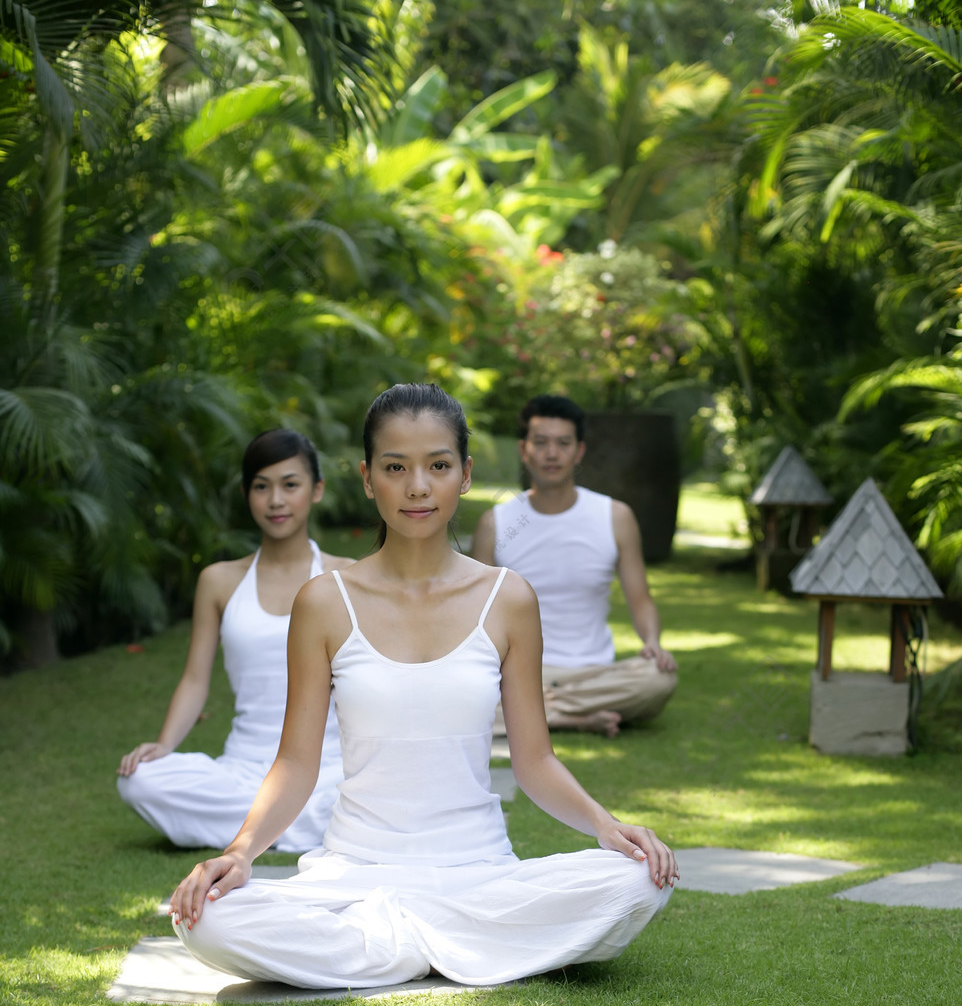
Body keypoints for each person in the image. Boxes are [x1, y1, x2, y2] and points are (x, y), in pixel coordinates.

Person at [169, 383, 676, 991]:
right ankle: (449, 946)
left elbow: (535, 760)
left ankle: (391, 945)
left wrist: (606, 825)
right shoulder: (324, 602)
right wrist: (240, 852)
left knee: (636, 878)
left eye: (437, 466)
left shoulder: (507, 598)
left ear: (463, 475)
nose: (417, 487)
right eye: (395, 467)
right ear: (366, 478)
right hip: (353, 872)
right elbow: (297, 763)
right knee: (205, 921)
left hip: (477, 872)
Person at [117, 428, 352, 853]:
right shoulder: (219, 580)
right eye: (262, 487)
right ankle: (295, 824)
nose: (276, 500)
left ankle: (270, 823)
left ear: (316, 490)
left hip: (329, 769)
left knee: (370, 790)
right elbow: (194, 680)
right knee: (138, 781)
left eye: (290, 485)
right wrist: (165, 745)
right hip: (243, 769)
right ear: (247, 494)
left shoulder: (348, 577)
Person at [471, 394, 677, 738]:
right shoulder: (495, 523)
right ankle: (573, 717)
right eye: (541, 443)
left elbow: (640, 599)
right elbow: (475, 613)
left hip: (594, 674)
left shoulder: (615, 516)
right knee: (458, 690)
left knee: (659, 678)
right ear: (524, 450)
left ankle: (536, 713)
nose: (552, 454)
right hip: (520, 672)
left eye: (563, 443)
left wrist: (653, 641)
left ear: (579, 451)